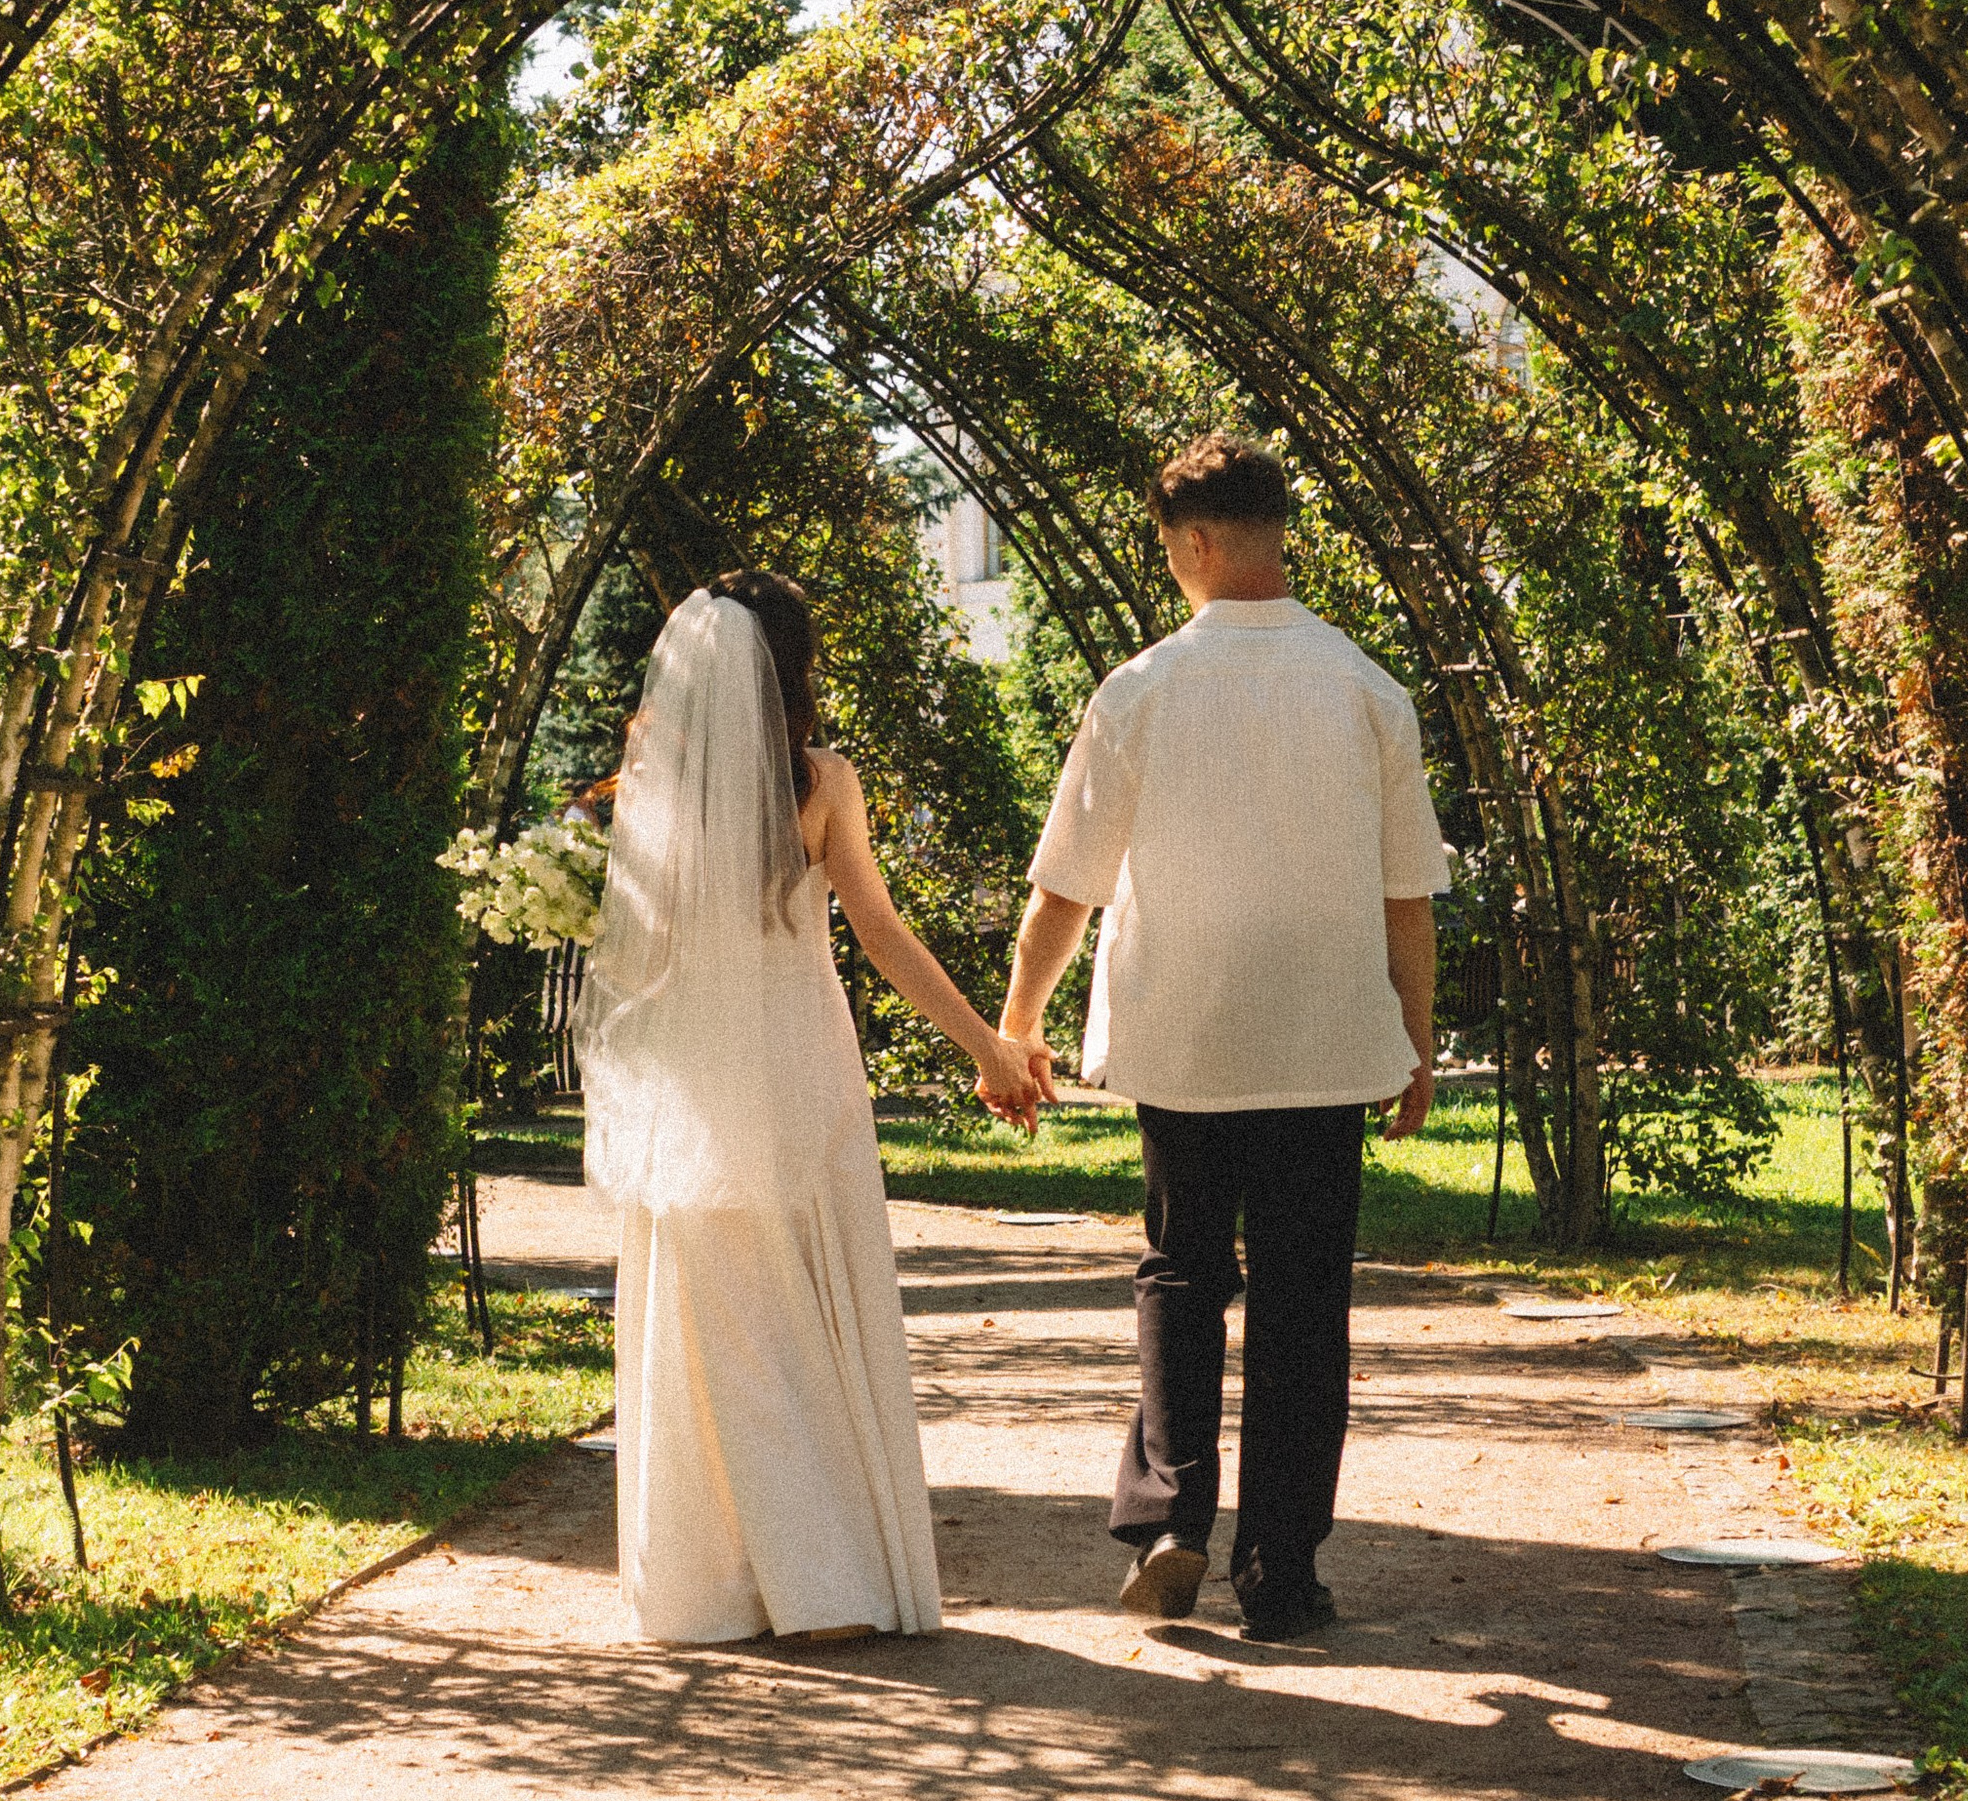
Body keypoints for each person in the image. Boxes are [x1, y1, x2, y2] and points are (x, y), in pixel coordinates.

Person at [993, 432, 1448, 1642]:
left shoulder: (1139, 689)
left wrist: (1017, 1027)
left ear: (1192, 545)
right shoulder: (1367, 689)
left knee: (1181, 1273)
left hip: (1183, 1038)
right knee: (1305, 1302)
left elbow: (1065, 890)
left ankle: (1171, 1519)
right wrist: (1417, 1036)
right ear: (1274, 532)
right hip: (1323, 1038)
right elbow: (1409, 894)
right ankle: (1282, 1572)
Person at [580, 570, 1042, 1646]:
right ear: (792, 669)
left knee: (714, 1316)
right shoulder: (823, 779)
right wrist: (989, 1047)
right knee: (809, 1309)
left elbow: (639, 939)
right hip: (800, 1059)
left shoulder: (655, 770)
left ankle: (725, 1583)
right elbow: (878, 933)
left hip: (693, 1067)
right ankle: (828, 1578)